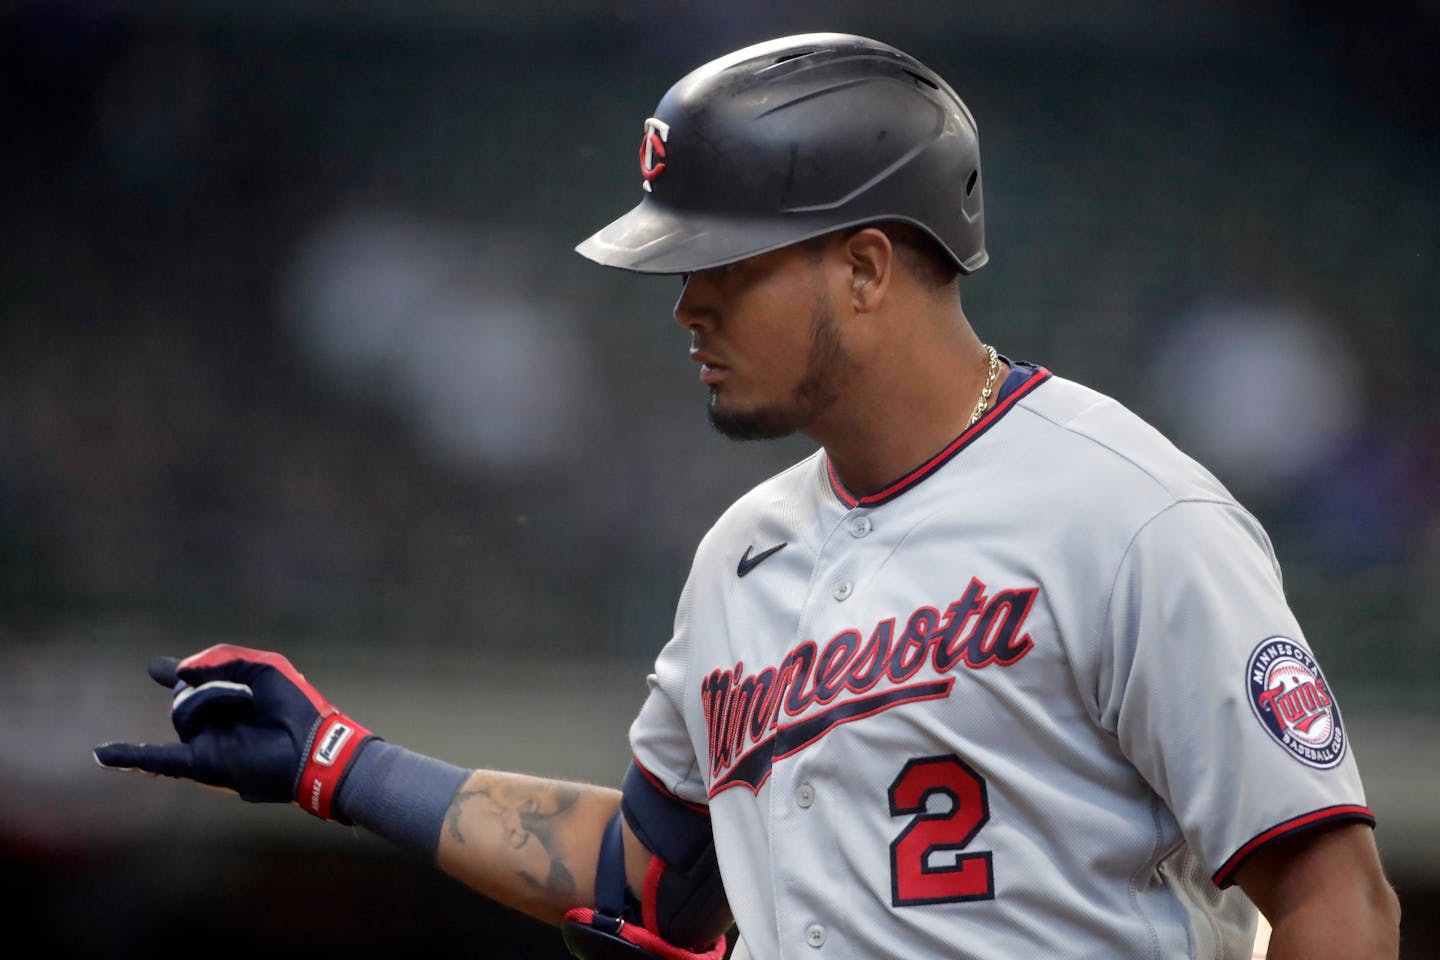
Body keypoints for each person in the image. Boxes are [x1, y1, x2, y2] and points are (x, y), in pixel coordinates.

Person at [95, 32, 1401, 960]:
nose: (685, 302)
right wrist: (345, 766)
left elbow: (1339, 906)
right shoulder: (742, 557)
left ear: (869, 266)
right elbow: (651, 885)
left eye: (723, 261)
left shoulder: (1130, 516)